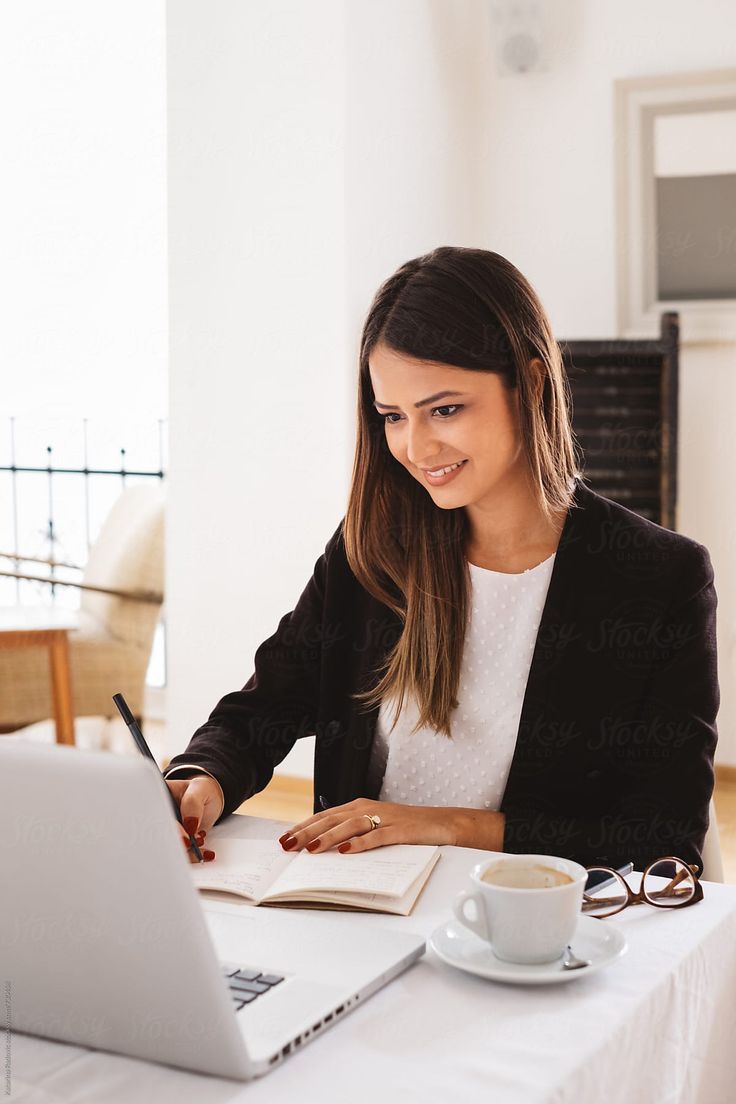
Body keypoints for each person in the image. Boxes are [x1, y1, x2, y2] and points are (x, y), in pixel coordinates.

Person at [165, 246, 719, 875]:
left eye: (445, 409)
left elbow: (661, 839)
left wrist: (443, 827)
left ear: (532, 385)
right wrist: (203, 773)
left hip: (535, 930)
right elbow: (264, 708)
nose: (414, 446)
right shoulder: (372, 547)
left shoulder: (659, 580)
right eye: (393, 417)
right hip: (363, 901)